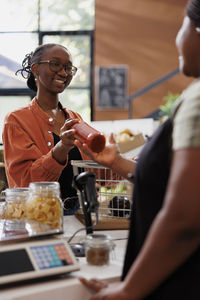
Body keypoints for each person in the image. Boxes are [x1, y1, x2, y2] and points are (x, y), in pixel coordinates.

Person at [76, 0, 200, 298]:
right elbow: (178, 185)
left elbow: (186, 216)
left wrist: (129, 290)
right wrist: (117, 161)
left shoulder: (197, 100)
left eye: (180, 26)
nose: (177, 39)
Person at [2, 43, 88, 214]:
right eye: (55, 64)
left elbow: (96, 165)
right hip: (39, 219)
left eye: (68, 67)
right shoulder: (15, 120)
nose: (64, 73)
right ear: (35, 69)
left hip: (79, 217)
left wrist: (133, 161)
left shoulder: (75, 118)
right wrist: (61, 148)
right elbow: (26, 184)